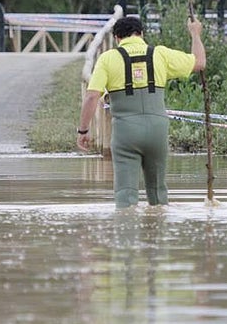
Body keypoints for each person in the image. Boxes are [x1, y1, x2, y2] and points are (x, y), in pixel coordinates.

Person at [77, 14, 206, 208]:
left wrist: (83, 130)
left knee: (125, 195)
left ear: (117, 38)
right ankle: (158, 232)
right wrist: (195, 34)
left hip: (125, 132)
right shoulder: (160, 54)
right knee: (158, 193)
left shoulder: (108, 58)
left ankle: (127, 234)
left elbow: (92, 96)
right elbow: (199, 62)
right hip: (157, 131)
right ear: (142, 34)